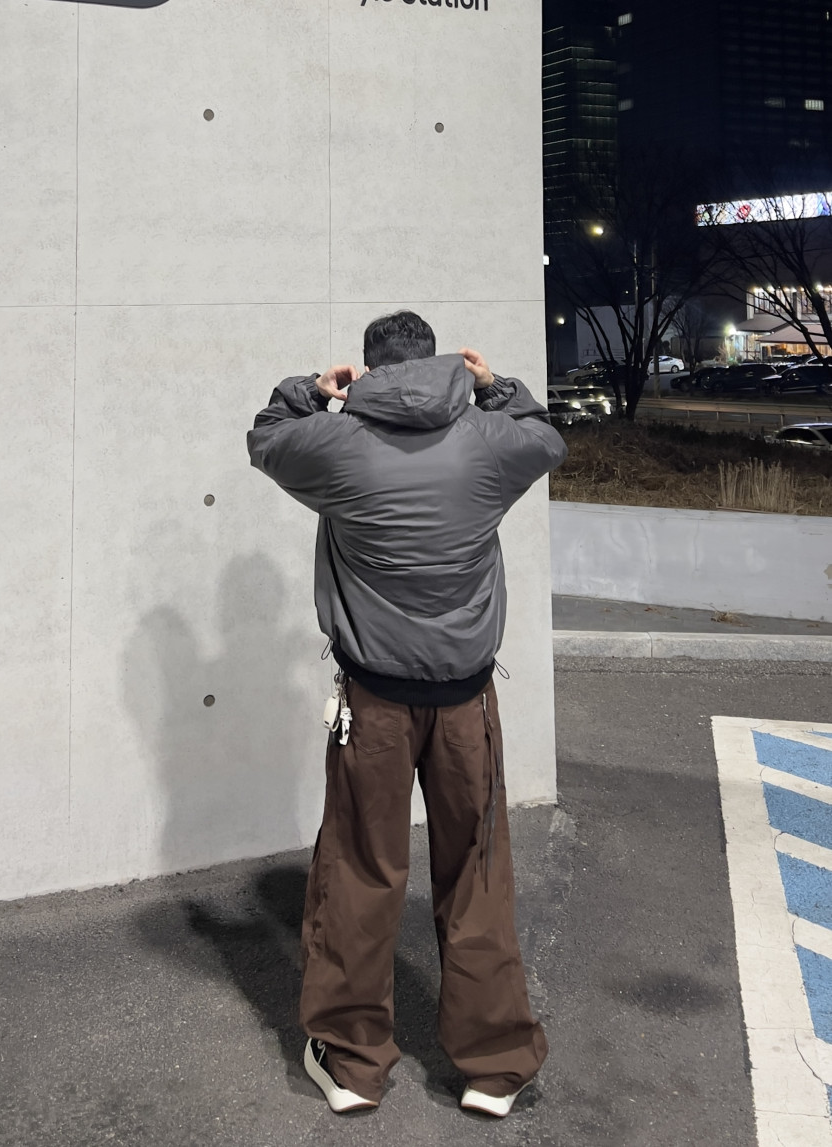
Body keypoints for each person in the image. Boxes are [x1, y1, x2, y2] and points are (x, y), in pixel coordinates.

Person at [247, 311, 567, 1117]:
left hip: (375, 704)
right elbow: (545, 436)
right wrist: (493, 386)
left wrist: (312, 390)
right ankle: (494, 1067)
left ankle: (354, 1064)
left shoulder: (336, 445)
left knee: (361, 871)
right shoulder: (489, 443)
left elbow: (266, 438)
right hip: (467, 703)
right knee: (476, 873)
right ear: (440, 361)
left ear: (368, 369)